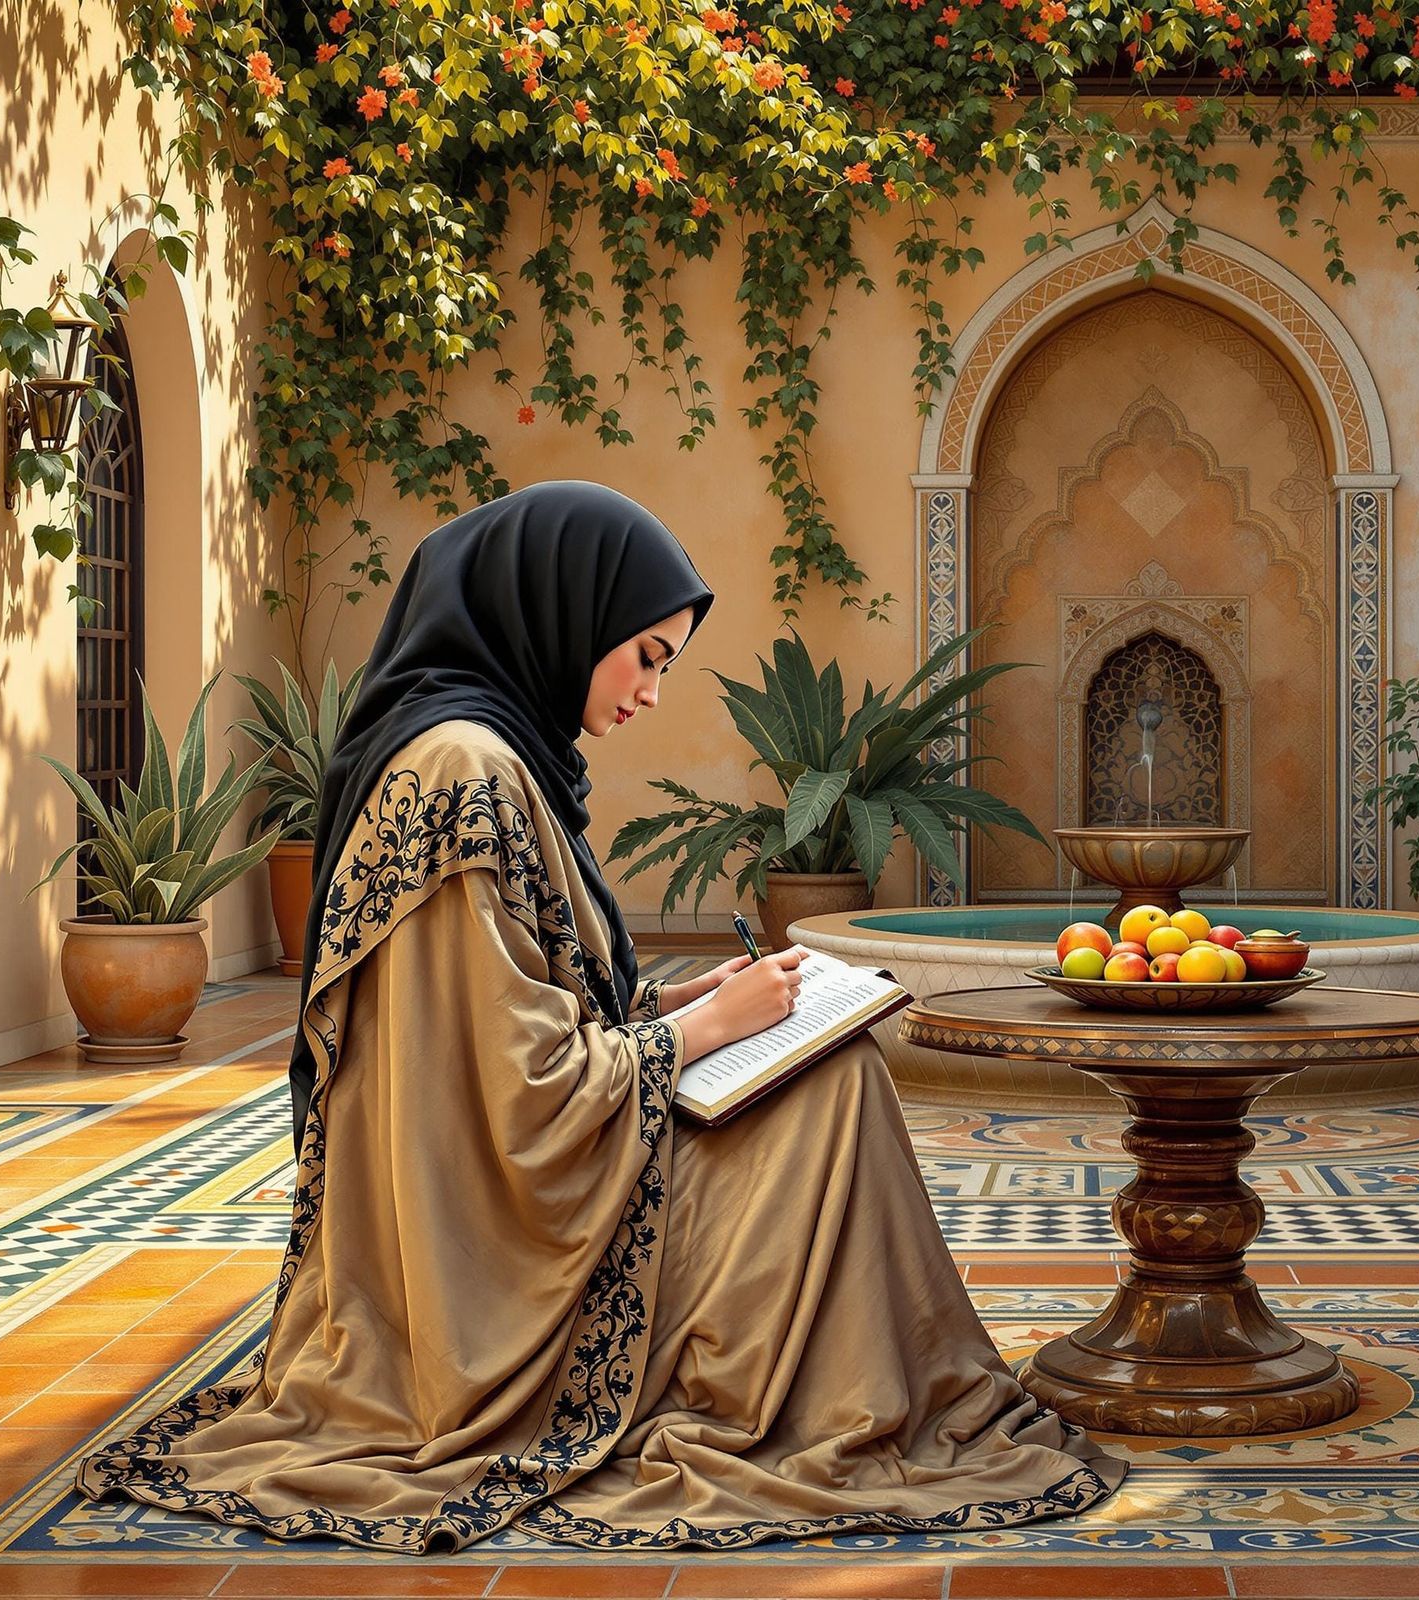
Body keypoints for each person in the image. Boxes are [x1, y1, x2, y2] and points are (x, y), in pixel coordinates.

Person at [75, 481, 1124, 1553]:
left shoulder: (490, 754)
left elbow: (530, 1001)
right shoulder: (462, 774)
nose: (653, 691)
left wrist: (683, 999)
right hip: (487, 1259)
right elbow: (515, 1092)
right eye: (647, 656)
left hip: (526, 1180)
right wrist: (708, 1033)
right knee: (833, 1096)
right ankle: (855, 1404)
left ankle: (866, 1392)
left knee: (830, 1076)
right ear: (560, 612)